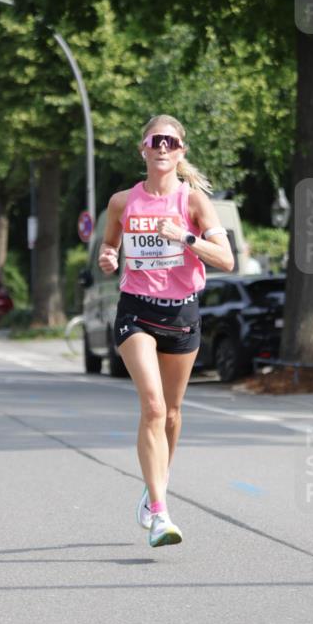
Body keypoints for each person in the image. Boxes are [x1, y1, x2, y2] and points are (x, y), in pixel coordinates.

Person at [99, 115, 234, 547]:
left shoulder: (192, 202)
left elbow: (227, 260)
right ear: (142, 148)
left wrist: (186, 239)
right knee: (154, 408)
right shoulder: (123, 201)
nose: (162, 147)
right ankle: (160, 513)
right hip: (135, 311)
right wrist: (106, 257)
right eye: (155, 141)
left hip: (181, 315)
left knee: (173, 414)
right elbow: (109, 244)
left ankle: (152, 487)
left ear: (181, 152)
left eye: (170, 142)